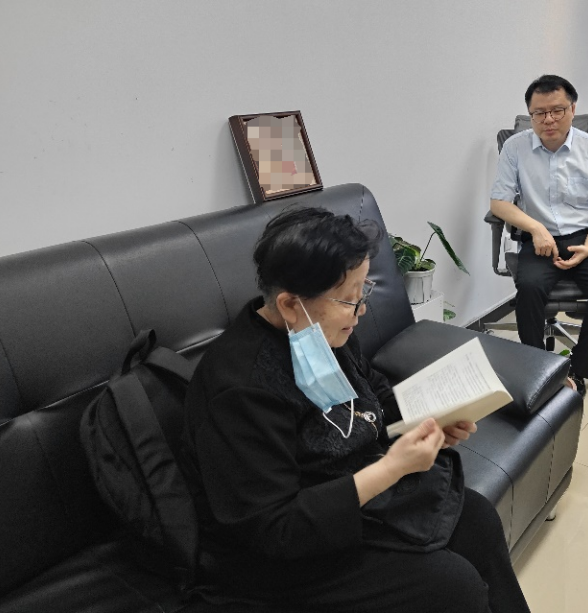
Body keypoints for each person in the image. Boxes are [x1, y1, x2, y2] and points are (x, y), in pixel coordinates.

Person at [179, 207, 531, 613]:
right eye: (349, 299)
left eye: (363, 291)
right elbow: (275, 529)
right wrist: (391, 469)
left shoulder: (318, 331)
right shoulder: (240, 389)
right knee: (454, 588)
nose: (361, 310)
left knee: (478, 519)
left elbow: (372, 395)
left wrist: (425, 421)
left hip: (353, 493)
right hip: (284, 555)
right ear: (290, 304)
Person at [490, 74, 588, 397]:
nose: (548, 119)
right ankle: (538, 372)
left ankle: (577, 370)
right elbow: (499, 203)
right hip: (540, 242)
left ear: (572, 109)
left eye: (557, 110)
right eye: (539, 113)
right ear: (530, 114)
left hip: (585, 238)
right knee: (530, 288)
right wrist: (536, 228)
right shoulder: (515, 148)